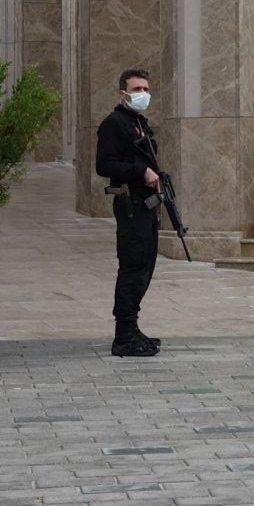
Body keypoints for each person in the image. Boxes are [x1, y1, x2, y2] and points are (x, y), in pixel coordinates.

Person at [96, 69, 165, 357]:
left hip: (145, 205)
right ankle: (123, 335)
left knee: (145, 267)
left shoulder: (138, 122)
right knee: (133, 266)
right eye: (137, 88)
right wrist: (140, 170)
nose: (143, 94)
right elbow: (104, 165)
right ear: (122, 93)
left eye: (146, 88)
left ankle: (132, 327)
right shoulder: (114, 123)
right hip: (130, 206)